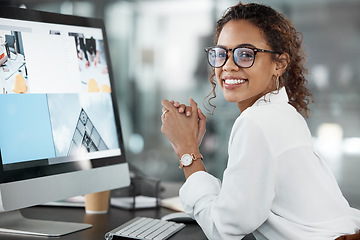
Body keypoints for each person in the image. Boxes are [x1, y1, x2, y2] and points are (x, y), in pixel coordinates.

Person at [160, 2, 360, 240]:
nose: (228, 66)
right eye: (221, 53)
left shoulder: (256, 122)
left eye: (245, 54)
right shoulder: (283, 114)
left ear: (280, 64)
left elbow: (224, 229)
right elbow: (242, 205)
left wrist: (187, 150)